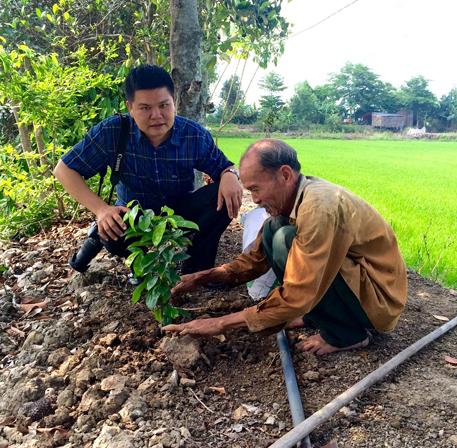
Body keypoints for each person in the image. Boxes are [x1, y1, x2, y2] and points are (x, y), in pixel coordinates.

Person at [163, 139, 408, 355]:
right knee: (273, 231)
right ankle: (318, 315)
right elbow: (254, 260)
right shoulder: (293, 201)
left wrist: (220, 323)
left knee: (284, 241)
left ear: (285, 175)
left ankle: (346, 335)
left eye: (256, 189)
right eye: (250, 190)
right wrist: (202, 277)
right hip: (355, 285)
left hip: (377, 301)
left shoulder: (319, 208)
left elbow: (298, 292)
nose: (255, 199)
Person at [54, 64, 242, 273]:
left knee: (225, 196)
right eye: (145, 108)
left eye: (164, 105)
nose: (156, 115)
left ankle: (196, 269)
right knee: (110, 230)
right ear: (130, 107)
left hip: (179, 213)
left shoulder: (193, 135)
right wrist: (101, 210)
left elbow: (225, 167)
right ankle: (140, 263)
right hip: (134, 217)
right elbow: (63, 170)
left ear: (174, 102)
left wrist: (230, 175)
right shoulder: (113, 131)